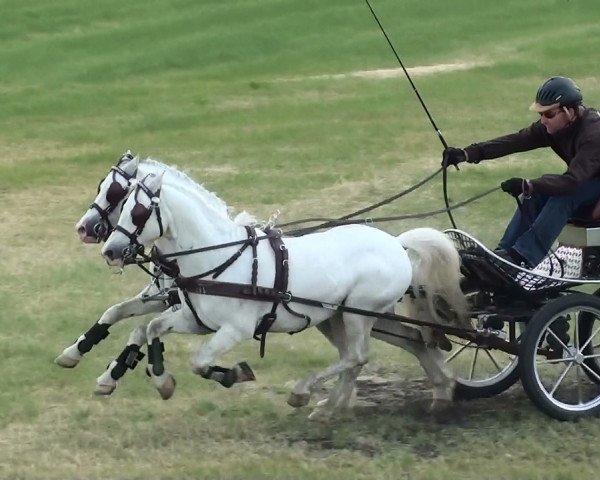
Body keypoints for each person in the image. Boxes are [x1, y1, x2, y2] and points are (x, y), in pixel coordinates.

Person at [443, 76, 600, 268]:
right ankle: (502, 256)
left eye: (549, 114)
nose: (543, 120)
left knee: (563, 195)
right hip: (587, 181)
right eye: (540, 114)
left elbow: (572, 182)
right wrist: (467, 153)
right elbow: (515, 141)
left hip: (588, 186)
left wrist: (530, 184)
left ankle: (523, 258)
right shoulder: (554, 125)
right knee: (538, 193)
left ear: (570, 111)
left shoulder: (594, 134)